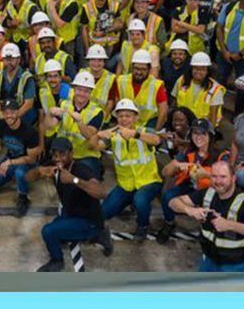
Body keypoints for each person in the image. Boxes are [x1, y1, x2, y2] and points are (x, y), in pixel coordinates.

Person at [169, 160, 244, 272]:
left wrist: (230, 225)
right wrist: (189, 210)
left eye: (223, 177)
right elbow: (173, 202)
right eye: (214, 176)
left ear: (233, 178)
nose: (218, 181)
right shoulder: (207, 193)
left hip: (237, 264)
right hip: (209, 259)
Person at [25, 137, 110, 272]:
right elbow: (27, 177)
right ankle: (97, 234)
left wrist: (74, 180)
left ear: (71, 153)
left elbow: (102, 192)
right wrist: (39, 171)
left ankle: (57, 260)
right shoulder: (53, 164)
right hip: (71, 211)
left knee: (48, 231)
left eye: (63, 154)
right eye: (55, 154)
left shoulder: (81, 169)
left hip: (88, 219)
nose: (58, 158)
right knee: (58, 234)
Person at [90, 99, 164, 241]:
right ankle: (130, 201)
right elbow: (94, 146)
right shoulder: (113, 135)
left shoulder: (144, 131)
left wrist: (135, 134)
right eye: (120, 116)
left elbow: (156, 140)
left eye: (128, 115)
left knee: (141, 200)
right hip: (125, 185)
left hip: (148, 182)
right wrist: (98, 135)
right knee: (103, 212)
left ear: (136, 117)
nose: (124, 119)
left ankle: (143, 225)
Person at [156, 117, 228, 243]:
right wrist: (177, 166)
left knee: (214, 204)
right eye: (195, 133)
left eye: (203, 134)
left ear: (210, 136)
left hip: (210, 190)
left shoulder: (221, 155)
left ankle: (209, 228)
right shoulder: (188, 151)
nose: (198, 137)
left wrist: (206, 174)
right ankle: (169, 223)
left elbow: (227, 182)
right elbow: (165, 171)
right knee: (168, 196)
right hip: (190, 186)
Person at [0, 98, 42, 217]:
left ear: (18, 112)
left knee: (20, 173)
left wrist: (9, 162)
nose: (9, 115)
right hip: (11, 158)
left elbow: (31, 159)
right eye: (6, 112)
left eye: (12, 112)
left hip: (28, 162)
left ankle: (23, 197)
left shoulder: (29, 132)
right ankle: (12, 175)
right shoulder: (1, 125)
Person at [47, 71, 105, 178]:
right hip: (65, 153)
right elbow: (50, 126)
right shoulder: (64, 104)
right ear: (74, 89)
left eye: (86, 91)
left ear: (91, 92)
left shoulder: (97, 112)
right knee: (59, 178)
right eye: (79, 90)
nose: (82, 94)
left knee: (89, 182)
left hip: (86, 155)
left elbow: (89, 135)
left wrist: (80, 123)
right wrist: (50, 114)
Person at [116, 49, 169, 130]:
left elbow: (163, 111)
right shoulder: (121, 81)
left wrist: (155, 131)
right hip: (126, 122)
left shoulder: (156, 85)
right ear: (132, 67)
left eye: (143, 69)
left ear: (149, 69)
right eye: (136, 68)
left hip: (148, 122)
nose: (139, 72)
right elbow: (117, 104)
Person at [171, 52, 225, 128]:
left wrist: (210, 133)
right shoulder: (182, 80)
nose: (198, 72)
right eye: (196, 68)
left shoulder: (215, 89)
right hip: (183, 122)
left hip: (202, 126)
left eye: (202, 69)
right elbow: (174, 102)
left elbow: (213, 116)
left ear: (207, 71)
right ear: (191, 68)